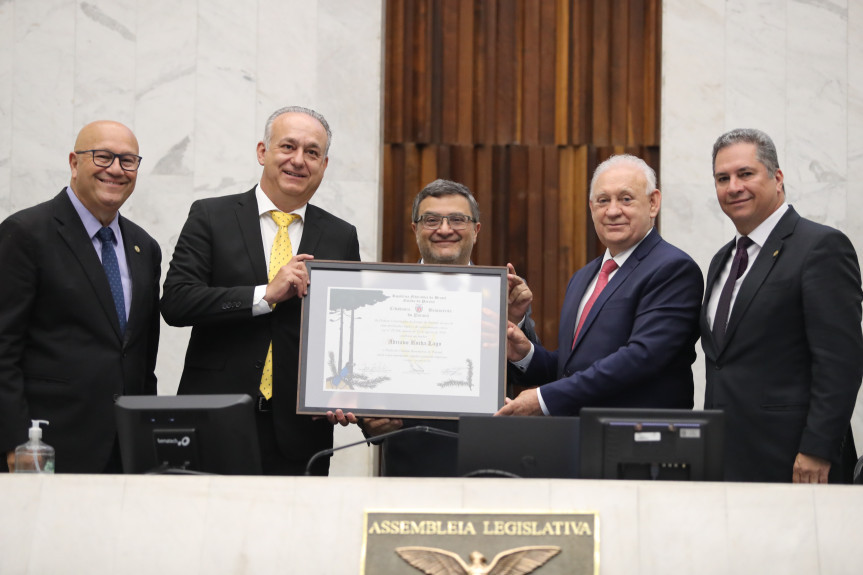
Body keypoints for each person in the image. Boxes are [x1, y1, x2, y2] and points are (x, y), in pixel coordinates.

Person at [160, 106, 361, 476]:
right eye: (288, 146)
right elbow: (176, 302)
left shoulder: (341, 235)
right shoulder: (211, 216)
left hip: (300, 433)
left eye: (312, 152)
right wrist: (264, 295)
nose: (298, 160)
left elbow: (346, 331)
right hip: (214, 418)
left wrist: (345, 391)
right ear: (262, 152)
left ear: (325, 164)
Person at [702, 128, 863, 483]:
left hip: (796, 462)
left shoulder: (821, 247)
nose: (733, 187)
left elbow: (841, 363)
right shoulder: (721, 261)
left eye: (746, 174)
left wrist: (818, 448)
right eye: (722, 178)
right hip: (726, 459)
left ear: (777, 178)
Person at [0, 121, 161, 473]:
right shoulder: (25, 234)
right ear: (74, 163)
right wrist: (15, 446)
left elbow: (142, 358)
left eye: (128, 161)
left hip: (127, 454)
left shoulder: (144, 248)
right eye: (103, 157)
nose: (116, 170)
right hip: (45, 448)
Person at [499, 154, 703, 416]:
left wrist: (543, 398)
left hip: (637, 442)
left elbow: (640, 358)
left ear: (653, 203)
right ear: (591, 207)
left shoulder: (673, 269)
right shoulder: (583, 277)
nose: (613, 210)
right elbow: (571, 368)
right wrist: (526, 354)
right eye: (603, 201)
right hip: (577, 443)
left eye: (626, 199)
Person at [360, 179, 535, 476]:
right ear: (415, 230)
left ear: (476, 230)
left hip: (487, 464)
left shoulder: (501, 295)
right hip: (408, 466)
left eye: (457, 220)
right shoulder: (384, 297)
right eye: (431, 220)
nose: (444, 229)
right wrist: (368, 418)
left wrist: (515, 320)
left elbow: (529, 374)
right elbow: (367, 377)